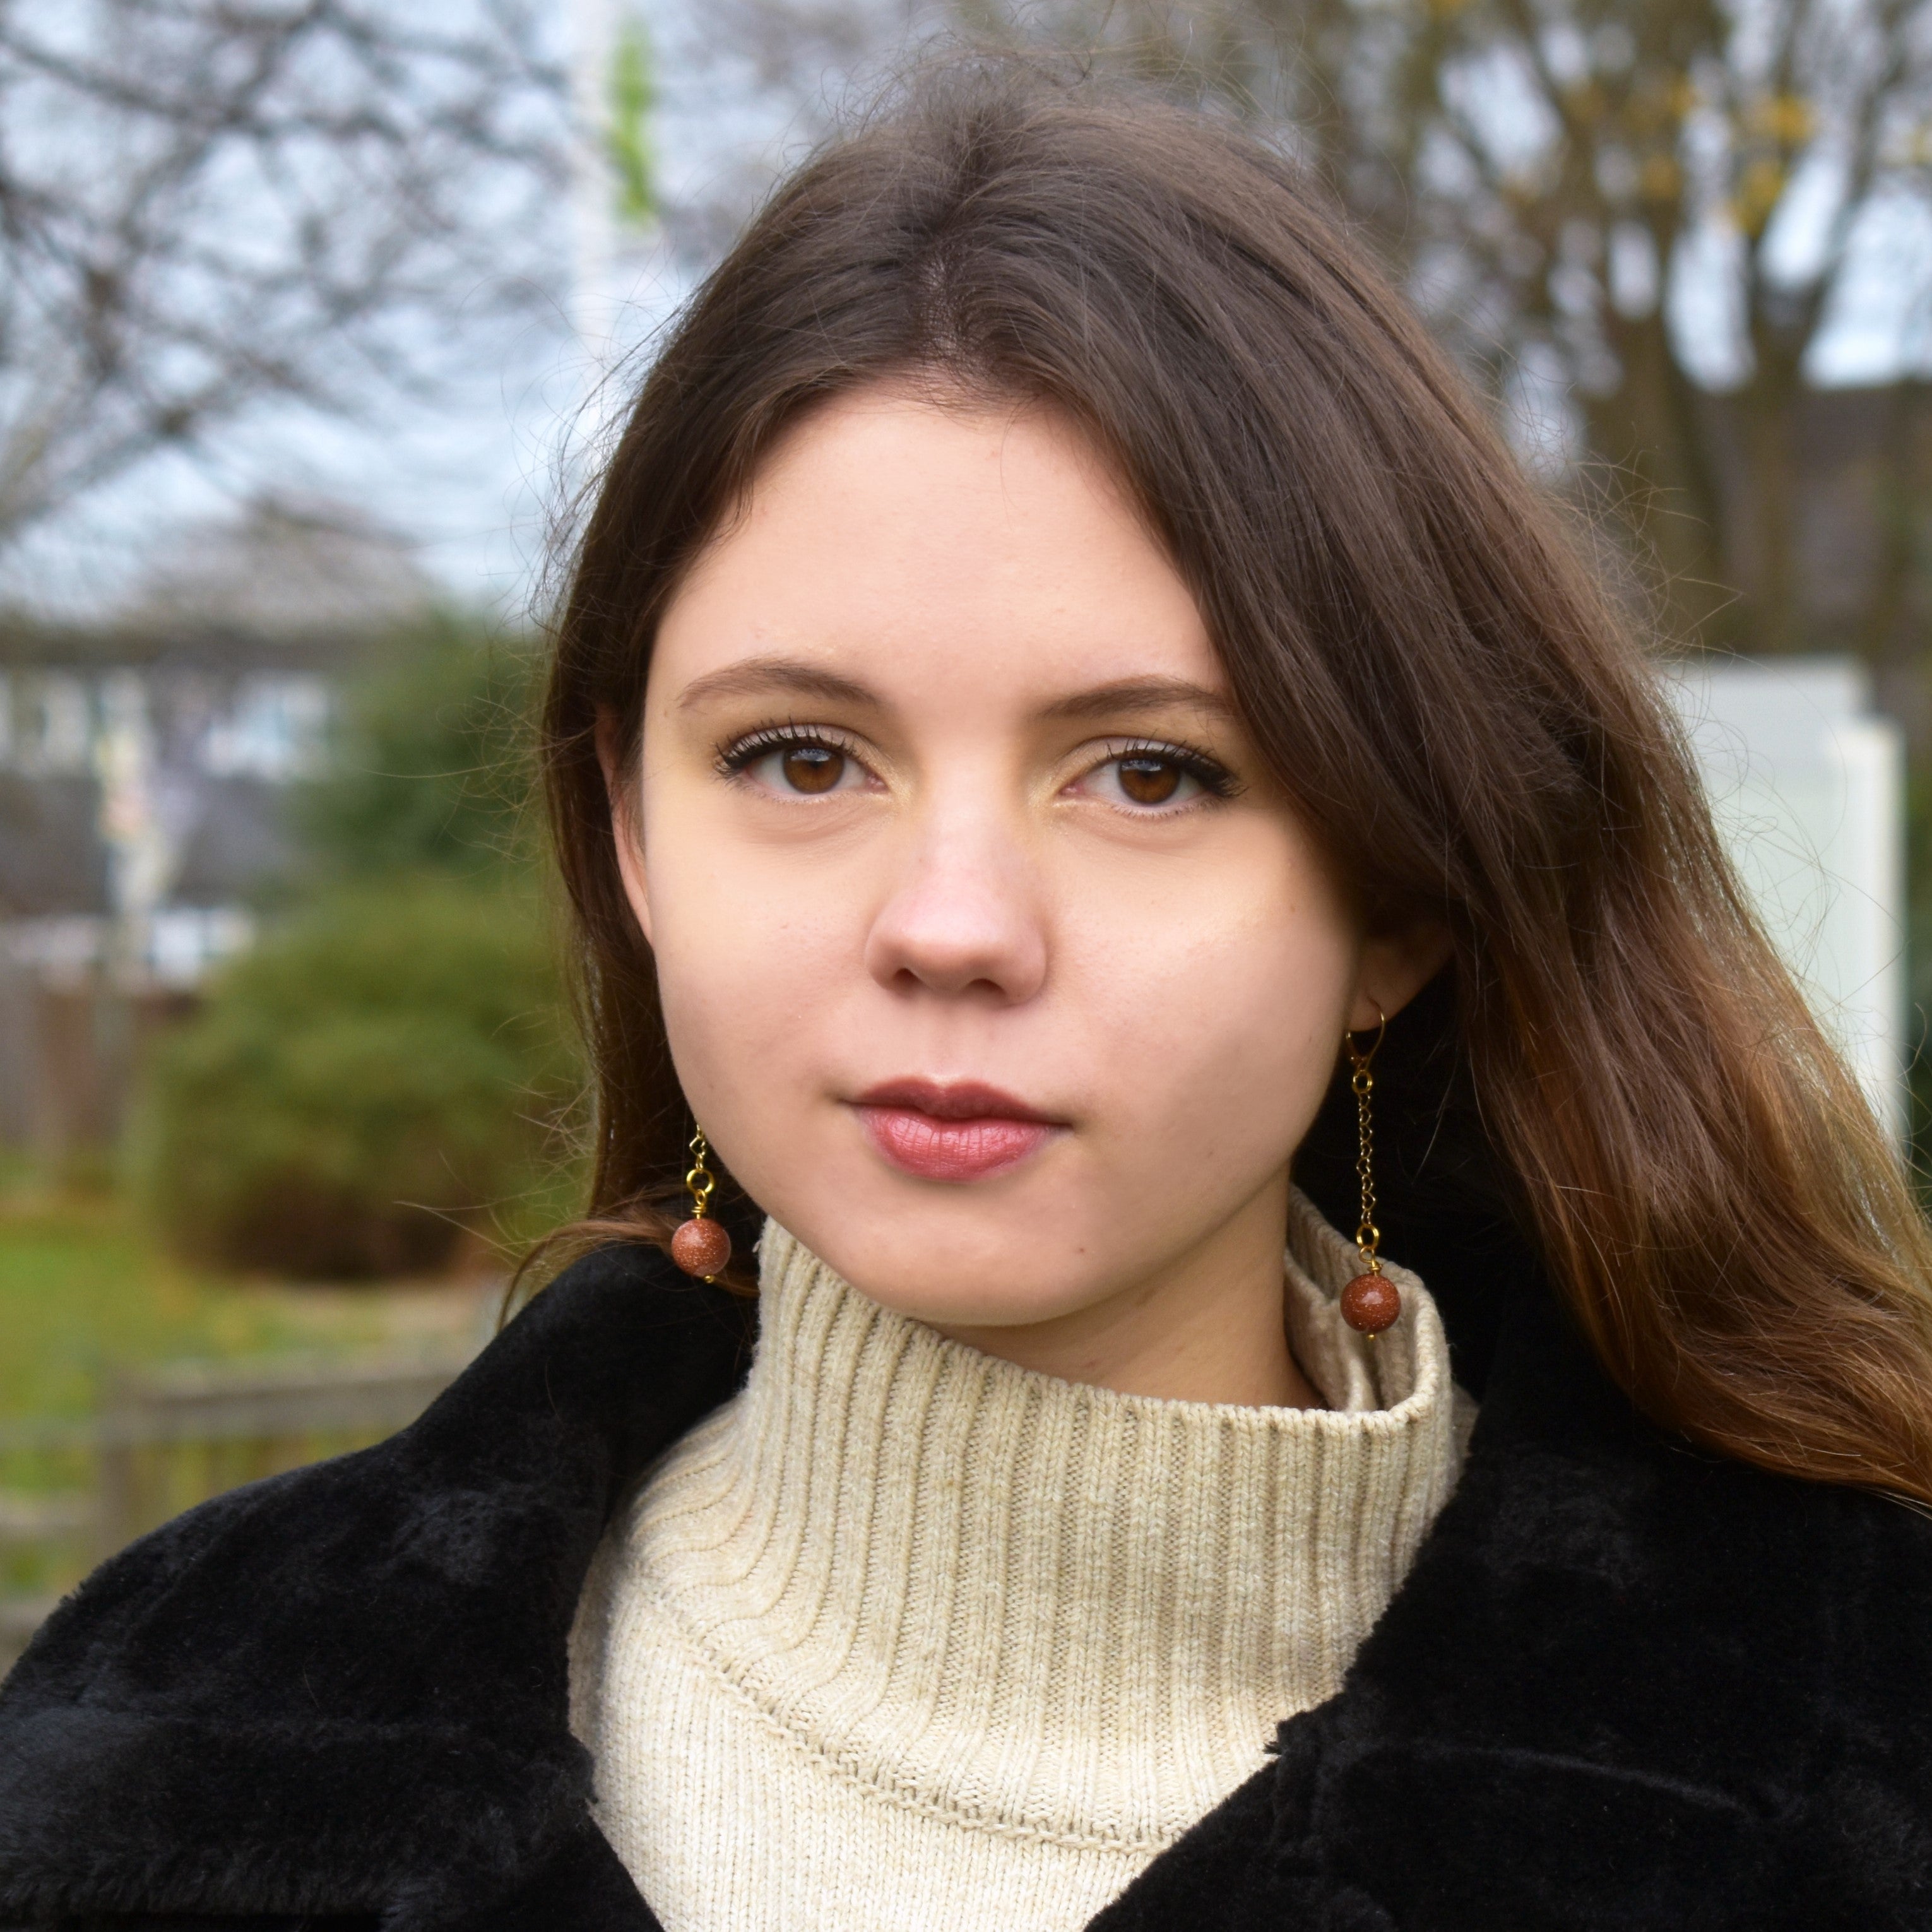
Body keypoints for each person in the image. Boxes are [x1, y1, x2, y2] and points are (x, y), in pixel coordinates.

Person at [4, 59, 1931, 1932]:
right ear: (633, 834)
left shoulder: (1847, 1750)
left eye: (1154, 772)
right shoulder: (157, 1735)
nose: (950, 923)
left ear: (1400, 904)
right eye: (800, 757)